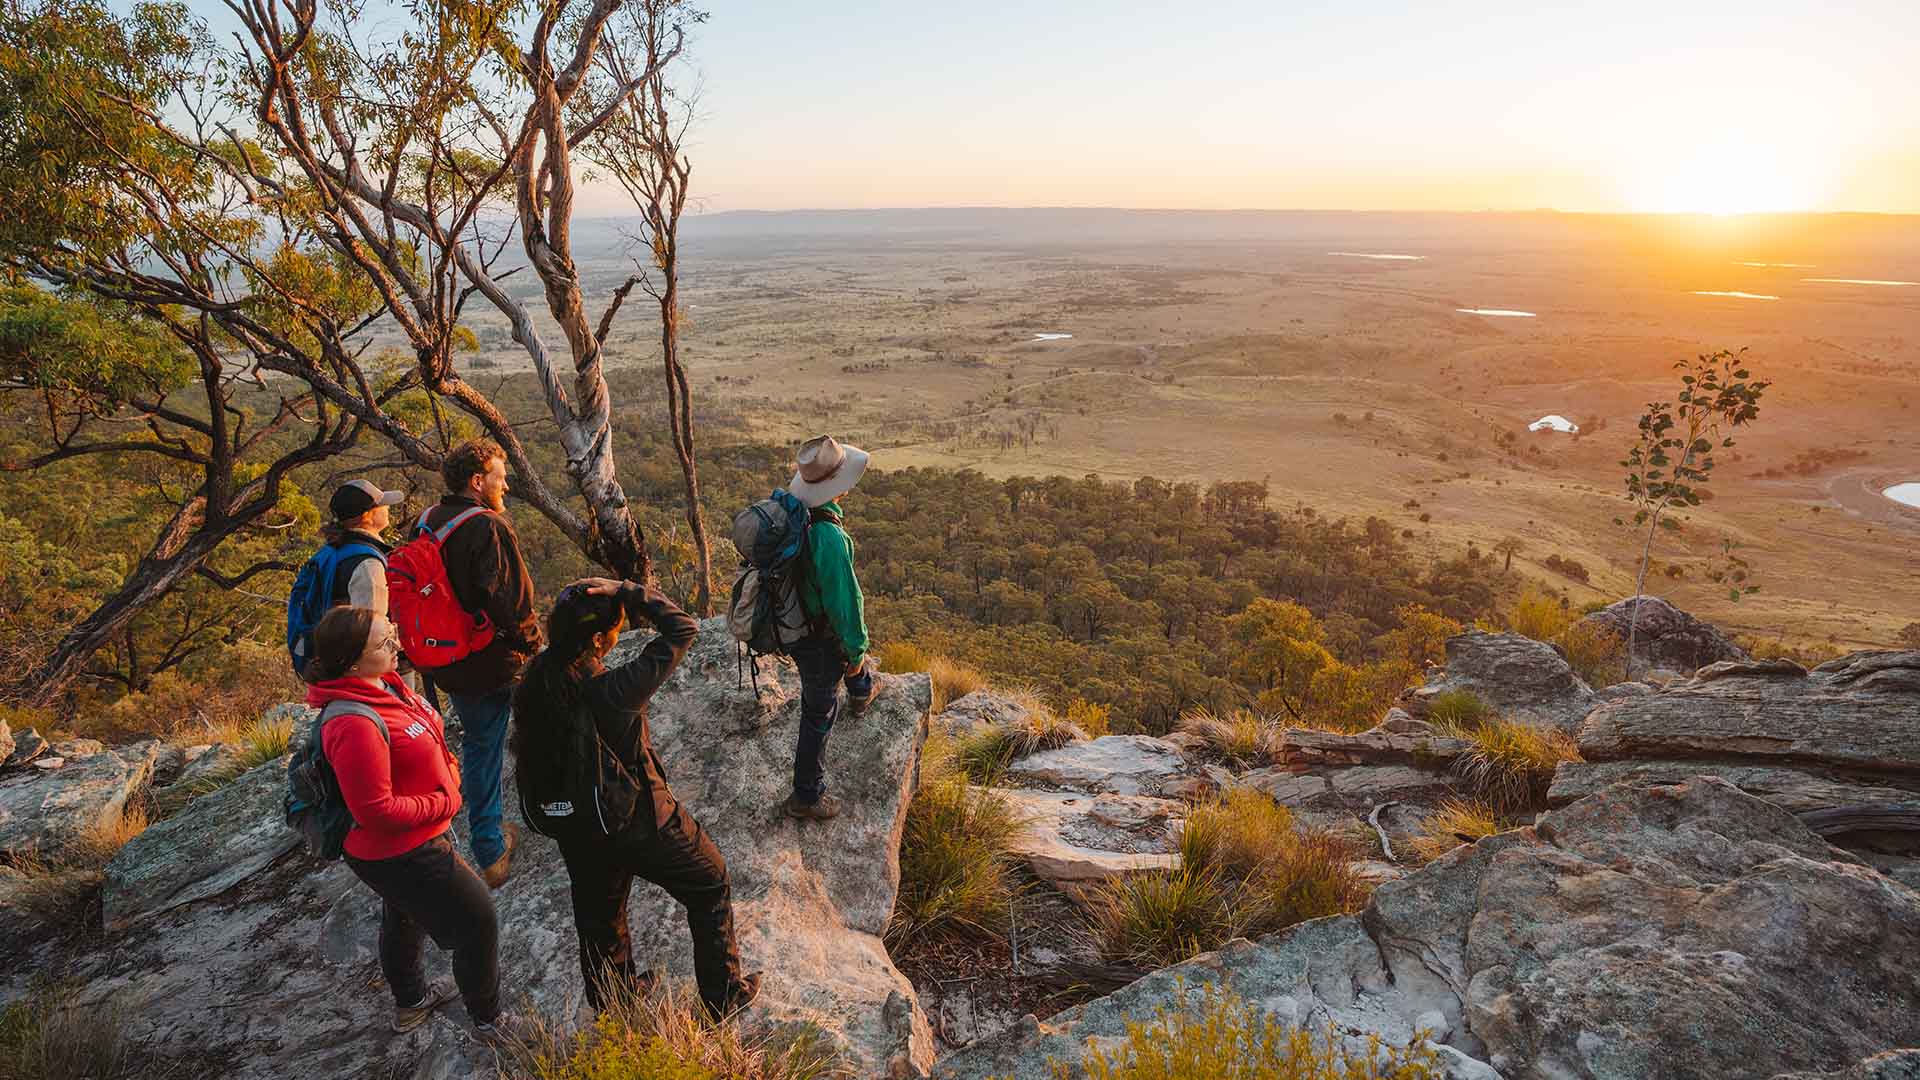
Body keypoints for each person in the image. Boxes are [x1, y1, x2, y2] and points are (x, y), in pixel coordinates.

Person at [510, 578, 761, 1021]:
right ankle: (723, 997)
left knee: (600, 919)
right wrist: (627, 589)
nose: (615, 638)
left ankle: (616, 1003)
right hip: (641, 821)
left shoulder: (536, 679)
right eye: (615, 630)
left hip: (579, 825)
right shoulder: (614, 691)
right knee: (710, 881)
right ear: (597, 639)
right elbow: (682, 629)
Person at [302, 605, 528, 1043]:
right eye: (384, 642)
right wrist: (443, 802)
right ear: (351, 663)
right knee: (478, 919)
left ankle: (412, 1003)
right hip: (398, 850)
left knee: (405, 914)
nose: (396, 644)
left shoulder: (383, 684)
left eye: (393, 633)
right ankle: (489, 1020)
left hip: (412, 839)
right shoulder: (353, 722)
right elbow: (375, 811)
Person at [422, 439, 543, 888]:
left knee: (481, 747)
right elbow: (510, 601)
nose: (506, 483)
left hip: (451, 659)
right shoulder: (487, 526)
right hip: (496, 660)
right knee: (549, 724)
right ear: (478, 481)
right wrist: (534, 647)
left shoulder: (429, 521)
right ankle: (553, 811)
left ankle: (490, 848)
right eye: (499, 475)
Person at [783, 435, 878, 821]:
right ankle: (806, 796)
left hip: (796, 626)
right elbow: (847, 606)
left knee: (826, 688)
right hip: (819, 641)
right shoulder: (829, 537)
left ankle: (859, 689)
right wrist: (856, 653)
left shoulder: (794, 517)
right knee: (818, 713)